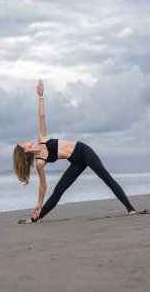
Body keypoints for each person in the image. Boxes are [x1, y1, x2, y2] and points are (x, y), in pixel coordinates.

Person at [13, 80, 138, 224]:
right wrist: (39, 204)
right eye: (23, 144)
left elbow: (41, 116)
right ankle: (37, 217)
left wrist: (40, 97)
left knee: (106, 178)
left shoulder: (41, 140)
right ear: (25, 151)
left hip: (83, 151)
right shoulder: (39, 163)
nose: (25, 141)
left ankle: (131, 209)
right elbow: (43, 186)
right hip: (76, 162)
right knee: (58, 191)